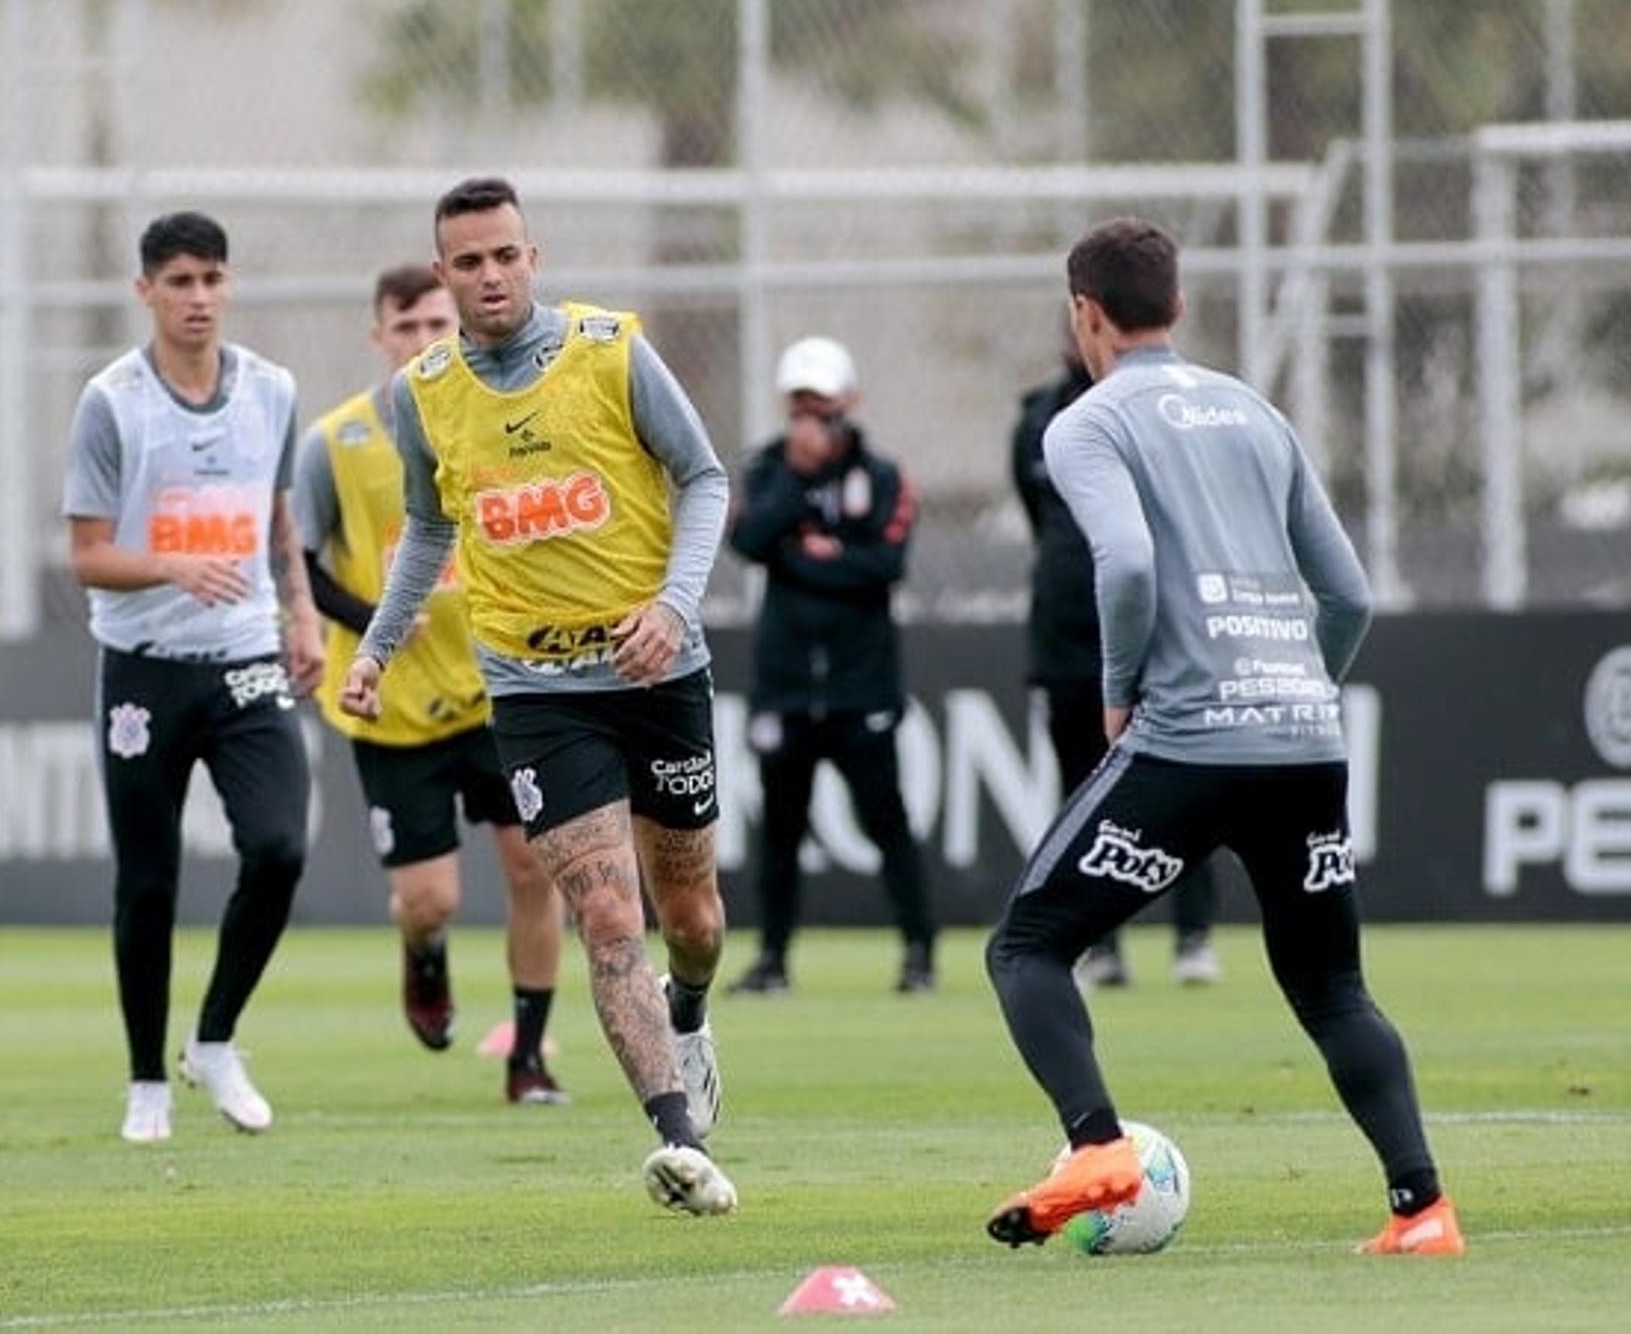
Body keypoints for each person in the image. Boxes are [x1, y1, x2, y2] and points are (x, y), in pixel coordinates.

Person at [983, 218, 1461, 1256]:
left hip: (1186, 745)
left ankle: (1096, 1144)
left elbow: (1128, 564)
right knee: (1333, 986)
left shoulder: (1086, 423)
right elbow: (1348, 591)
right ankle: (1423, 1209)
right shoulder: (1254, 410)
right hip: (1302, 741)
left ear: (1084, 314)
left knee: (1028, 945)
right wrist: (1294, 687)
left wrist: (1119, 688)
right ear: (1181, 304)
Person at [338, 177, 737, 1216]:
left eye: (505, 255)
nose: (489, 275)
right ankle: (679, 1137)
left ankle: (689, 1011)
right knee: (609, 911)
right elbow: (429, 527)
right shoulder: (420, 393)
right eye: (466, 261)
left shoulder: (610, 349)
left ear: (533, 255)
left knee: (690, 918)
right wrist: (378, 647)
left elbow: (704, 476)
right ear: (443, 273)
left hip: (657, 670)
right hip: (533, 686)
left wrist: (673, 603)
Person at [62, 210, 325, 1144]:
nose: (199, 298)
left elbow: (280, 515)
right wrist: (171, 565)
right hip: (145, 668)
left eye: (212, 278)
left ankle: (214, 1038)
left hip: (246, 659)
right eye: (179, 281)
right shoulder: (114, 402)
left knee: (281, 847)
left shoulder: (271, 390)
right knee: (148, 879)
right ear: (146, 291)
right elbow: (87, 555)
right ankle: (146, 1081)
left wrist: (301, 614)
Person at [295, 263, 568, 1105]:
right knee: (430, 897)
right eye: (404, 328)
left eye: (434, 327)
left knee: (535, 868)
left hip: (500, 690)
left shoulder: (499, 423)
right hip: (394, 711)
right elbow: (297, 565)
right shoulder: (333, 444)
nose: (420, 342)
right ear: (379, 336)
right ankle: (423, 953)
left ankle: (527, 1058)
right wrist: (373, 616)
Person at [725, 336, 938, 996]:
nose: (809, 419)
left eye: (820, 405)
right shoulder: (766, 470)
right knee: (780, 828)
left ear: (848, 402)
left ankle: (918, 950)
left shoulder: (882, 475)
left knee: (886, 818)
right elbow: (750, 540)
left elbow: (885, 564)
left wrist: (809, 557)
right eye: (798, 407)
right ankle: (772, 957)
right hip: (786, 683)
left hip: (859, 681)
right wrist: (795, 485)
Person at [1011, 349, 1222, 988]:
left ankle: (1193, 936)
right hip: (1066, 636)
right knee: (1081, 791)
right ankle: (1098, 943)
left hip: (1156, 630)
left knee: (1187, 785)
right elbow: (1035, 510)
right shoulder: (1038, 419)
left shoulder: (1161, 410)